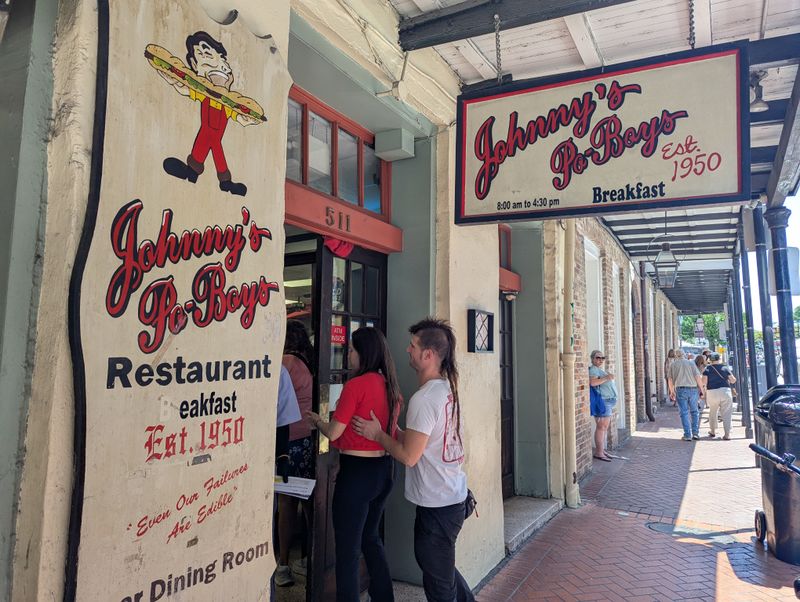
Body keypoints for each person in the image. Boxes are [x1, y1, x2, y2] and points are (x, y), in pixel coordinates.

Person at [353, 318, 476, 602]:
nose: (407, 350)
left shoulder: (424, 399)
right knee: (441, 571)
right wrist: (393, 431)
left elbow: (409, 456)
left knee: (439, 584)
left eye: (413, 346)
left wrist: (377, 435)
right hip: (451, 498)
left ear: (428, 355)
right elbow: (425, 439)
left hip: (439, 506)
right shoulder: (447, 389)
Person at [305, 327, 400, 602]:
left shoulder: (355, 386)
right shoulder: (389, 384)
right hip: (383, 471)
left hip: (356, 474)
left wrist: (317, 421)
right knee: (371, 540)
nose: (348, 355)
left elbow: (334, 432)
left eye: (352, 350)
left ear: (364, 353)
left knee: (347, 551)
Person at [275, 321, 316, 587]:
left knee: (286, 504)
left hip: (287, 441)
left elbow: (276, 401)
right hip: (309, 438)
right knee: (310, 500)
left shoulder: (286, 363)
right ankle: (310, 556)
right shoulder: (313, 362)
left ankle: (282, 564)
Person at [667, 349, 704, 441]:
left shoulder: (673, 365)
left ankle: (687, 435)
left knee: (684, 412)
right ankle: (695, 433)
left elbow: (670, 380)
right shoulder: (691, 363)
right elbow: (697, 377)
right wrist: (702, 390)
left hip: (680, 390)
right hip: (693, 389)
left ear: (676, 356)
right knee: (694, 411)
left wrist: (672, 391)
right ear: (684, 355)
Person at [588, 350, 617, 462]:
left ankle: (601, 450)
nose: (600, 360)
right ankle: (599, 452)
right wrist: (607, 378)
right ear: (592, 359)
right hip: (603, 401)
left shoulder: (599, 369)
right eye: (597, 357)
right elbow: (593, 382)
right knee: (601, 427)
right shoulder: (594, 369)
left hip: (608, 401)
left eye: (602, 358)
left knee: (604, 428)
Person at [703, 353, 736, 440]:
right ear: (719, 359)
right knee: (727, 413)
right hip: (725, 391)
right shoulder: (724, 368)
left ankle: (713, 431)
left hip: (712, 392)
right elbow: (733, 380)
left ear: (710, 360)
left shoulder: (707, 369)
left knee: (713, 412)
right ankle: (727, 434)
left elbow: (704, 382)